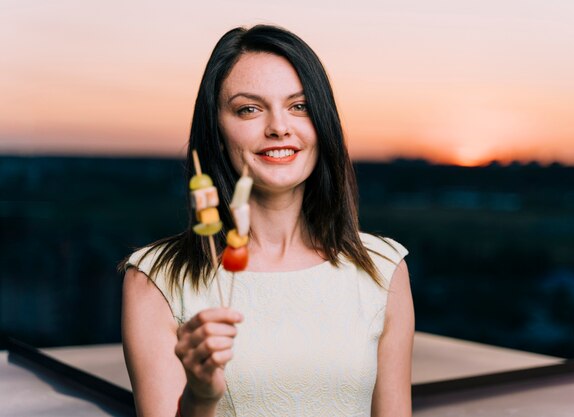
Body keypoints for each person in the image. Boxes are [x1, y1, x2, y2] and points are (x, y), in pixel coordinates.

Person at [121, 24, 414, 417]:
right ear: (216, 129)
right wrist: (201, 397)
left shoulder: (383, 268)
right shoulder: (156, 279)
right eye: (249, 109)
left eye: (299, 106)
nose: (278, 127)